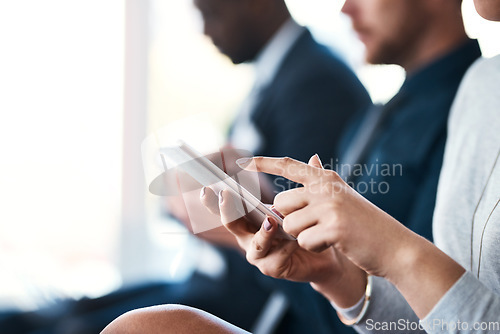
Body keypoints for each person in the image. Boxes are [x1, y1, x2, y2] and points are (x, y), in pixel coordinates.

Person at [101, 0, 500, 332]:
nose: (344, 9)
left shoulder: (449, 105)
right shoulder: (468, 91)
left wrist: (388, 249)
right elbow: (427, 312)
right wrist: (331, 273)